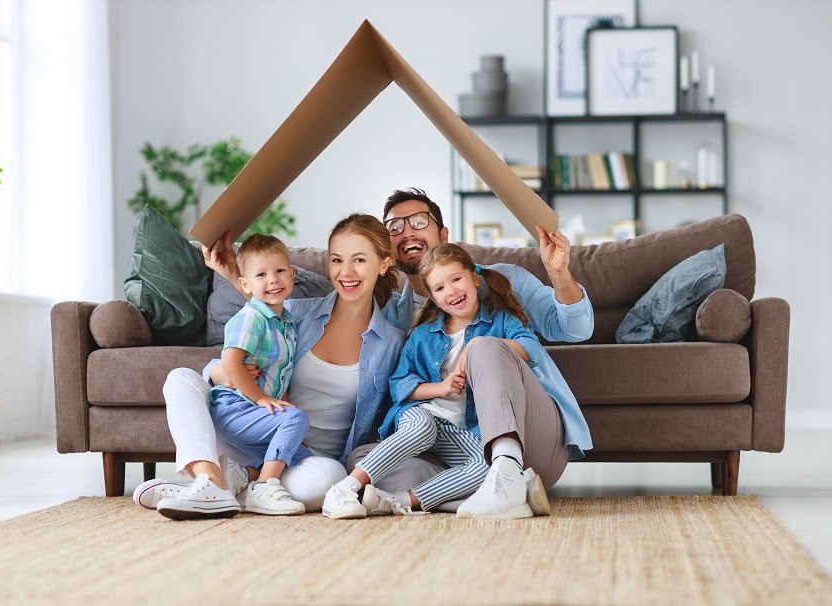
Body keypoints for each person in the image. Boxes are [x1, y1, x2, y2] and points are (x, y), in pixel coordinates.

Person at [133, 214, 403, 518]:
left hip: (304, 462)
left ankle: (227, 485)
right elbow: (259, 312)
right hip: (251, 434)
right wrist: (221, 373)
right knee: (181, 378)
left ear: (383, 264)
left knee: (329, 479)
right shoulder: (298, 313)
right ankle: (211, 479)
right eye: (338, 260)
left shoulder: (391, 342)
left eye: (359, 260)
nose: (346, 272)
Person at [348, 187, 594, 518]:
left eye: (419, 221)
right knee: (365, 463)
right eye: (394, 228)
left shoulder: (504, 283)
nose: (407, 232)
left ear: (443, 233)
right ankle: (475, 494)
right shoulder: (393, 315)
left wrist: (560, 272)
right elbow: (389, 386)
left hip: (530, 439)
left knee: (485, 347)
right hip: (453, 448)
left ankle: (506, 470)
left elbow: (575, 330)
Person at [324, 243, 547, 519]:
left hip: (462, 430)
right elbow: (400, 385)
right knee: (416, 431)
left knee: (488, 466)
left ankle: (400, 501)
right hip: (423, 417)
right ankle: (346, 487)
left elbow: (532, 349)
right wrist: (441, 388)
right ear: (433, 298)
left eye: (456, 279)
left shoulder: (500, 321)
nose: (451, 291)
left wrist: (482, 343)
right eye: (440, 288)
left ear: (475, 279)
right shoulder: (423, 335)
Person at [166, 234, 306, 518]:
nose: (273, 280)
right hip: (235, 408)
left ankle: (240, 475)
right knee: (298, 418)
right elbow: (230, 363)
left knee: (304, 456)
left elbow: (283, 376)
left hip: (255, 413)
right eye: (261, 274)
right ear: (245, 284)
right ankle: (264, 487)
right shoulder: (252, 317)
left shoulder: (288, 324)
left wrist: (281, 411)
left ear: (292, 275)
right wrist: (261, 398)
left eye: (280, 271)